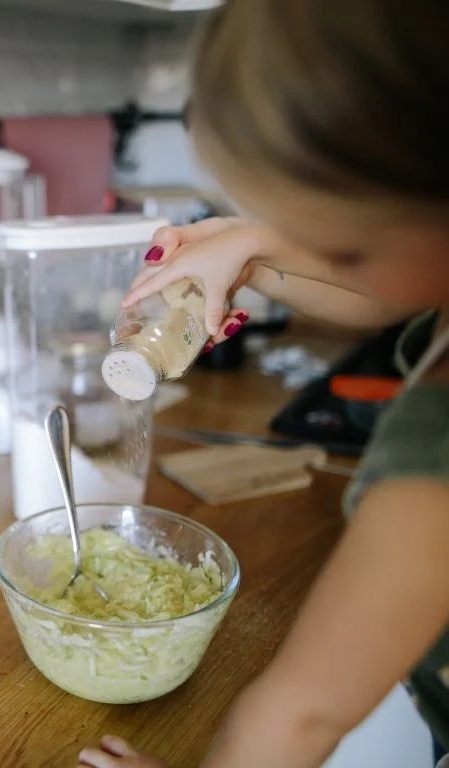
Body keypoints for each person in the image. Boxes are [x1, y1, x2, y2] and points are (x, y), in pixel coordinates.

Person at [78, 2, 449, 767]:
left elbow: (301, 715)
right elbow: (395, 286)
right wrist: (253, 252)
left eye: (336, 243)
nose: (311, 252)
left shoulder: (435, 448)